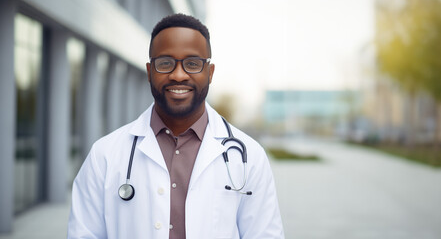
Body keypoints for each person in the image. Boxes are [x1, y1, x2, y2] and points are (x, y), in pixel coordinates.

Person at [67, 13, 284, 239]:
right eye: (165, 63)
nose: (178, 75)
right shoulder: (105, 155)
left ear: (209, 73)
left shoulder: (250, 157)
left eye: (192, 63)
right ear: (150, 72)